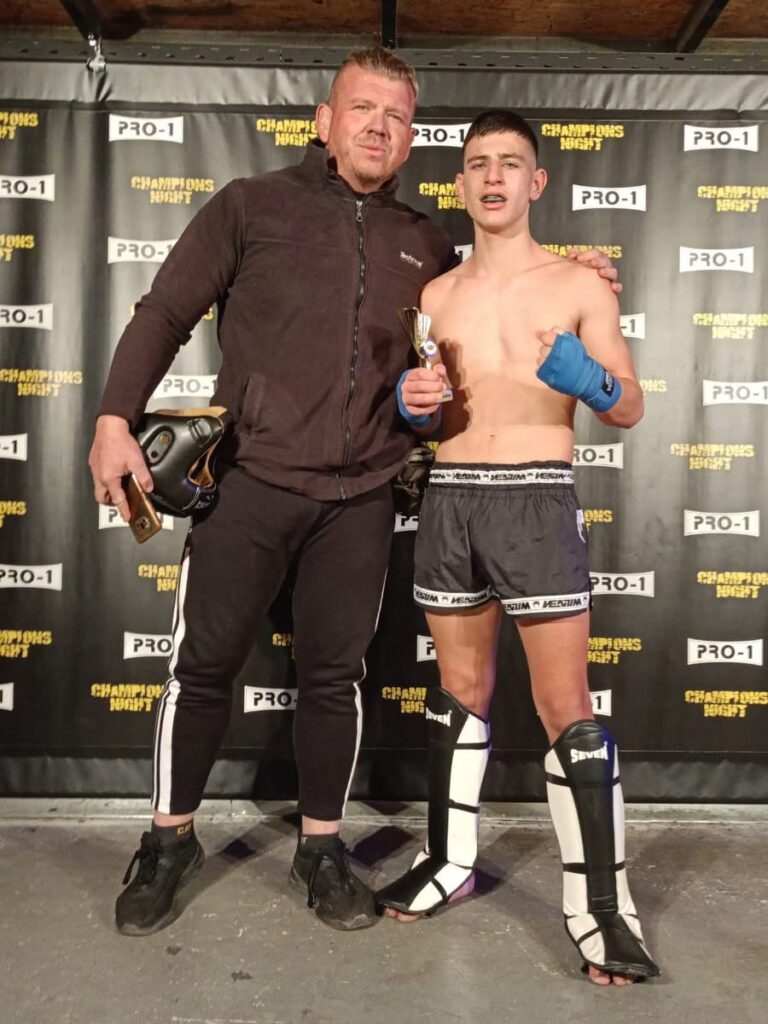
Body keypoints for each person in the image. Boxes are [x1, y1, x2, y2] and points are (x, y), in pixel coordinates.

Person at [88, 51, 623, 937]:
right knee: (203, 670)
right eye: (363, 108)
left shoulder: (428, 243)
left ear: (411, 138)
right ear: (324, 120)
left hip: (363, 497)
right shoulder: (250, 205)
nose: (379, 126)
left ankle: (322, 848)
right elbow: (163, 313)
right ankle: (168, 840)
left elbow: (496, 290)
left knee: (335, 680)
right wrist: (114, 419)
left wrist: (580, 270)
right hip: (248, 484)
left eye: (397, 116)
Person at [375, 110, 660, 986]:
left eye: (509, 163)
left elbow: (630, 406)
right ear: (460, 183)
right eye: (477, 164)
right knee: (458, 693)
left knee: (565, 704)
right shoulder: (435, 296)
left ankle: (603, 908)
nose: (492, 177)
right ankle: (449, 860)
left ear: (537, 182)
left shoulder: (579, 283)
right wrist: (414, 408)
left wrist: (590, 379)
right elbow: (430, 414)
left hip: (536, 498)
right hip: (452, 497)